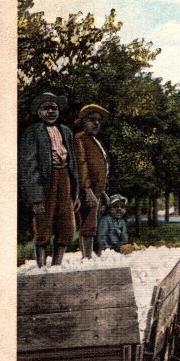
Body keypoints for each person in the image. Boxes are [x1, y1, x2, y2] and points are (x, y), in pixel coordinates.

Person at [19, 92, 79, 268]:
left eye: (54, 108)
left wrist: (74, 194)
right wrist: (36, 197)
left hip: (65, 179)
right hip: (46, 182)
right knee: (43, 224)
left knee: (66, 224)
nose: (51, 112)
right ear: (39, 112)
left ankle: (57, 265)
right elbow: (28, 166)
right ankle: (40, 266)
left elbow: (73, 163)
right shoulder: (33, 132)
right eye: (46, 108)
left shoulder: (66, 131)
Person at [74, 104, 110, 259]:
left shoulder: (95, 141)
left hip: (97, 191)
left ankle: (92, 255)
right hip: (87, 191)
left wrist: (102, 191)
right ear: (83, 122)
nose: (96, 123)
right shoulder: (80, 139)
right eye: (91, 120)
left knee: (94, 223)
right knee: (88, 224)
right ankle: (86, 257)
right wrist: (87, 190)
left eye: (98, 121)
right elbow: (81, 164)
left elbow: (101, 169)